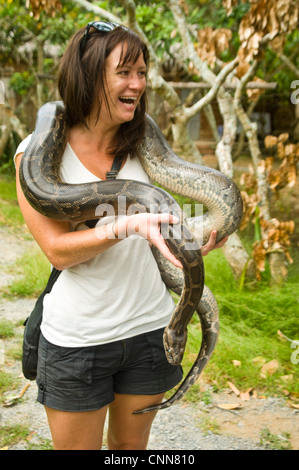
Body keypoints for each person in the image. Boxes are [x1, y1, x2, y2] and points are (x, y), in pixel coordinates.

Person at [15, 22, 227, 450]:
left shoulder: (143, 143)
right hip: (80, 340)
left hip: (151, 328)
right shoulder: (35, 159)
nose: (137, 83)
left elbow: (170, 216)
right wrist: (128, 223)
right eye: (124, 72)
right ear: (90, 75)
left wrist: (201, 232)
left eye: (142, 72)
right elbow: (57, 252)